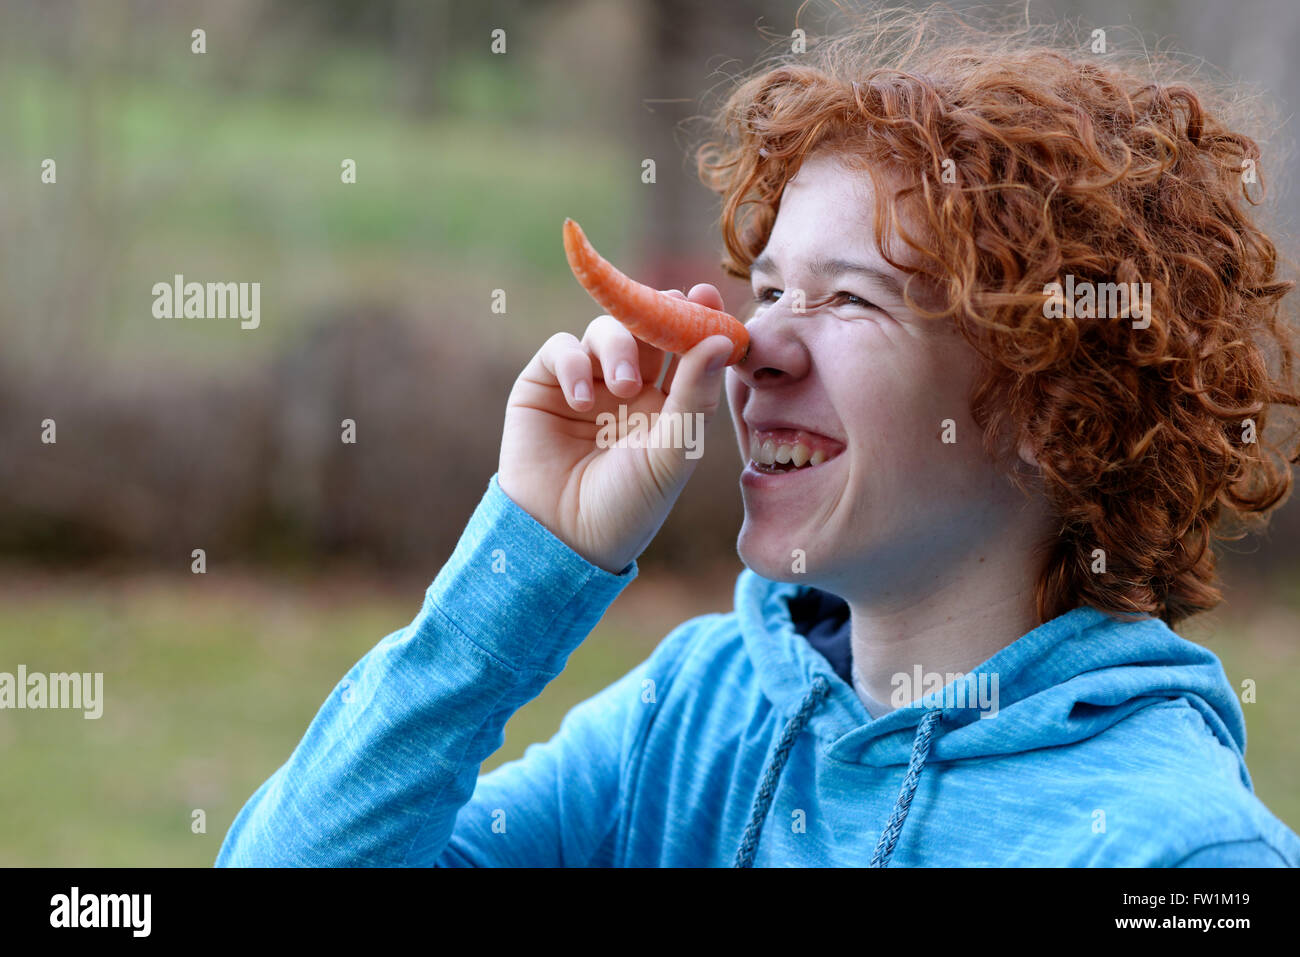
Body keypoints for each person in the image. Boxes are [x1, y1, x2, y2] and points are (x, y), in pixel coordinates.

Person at [216, 9, 1300, 867]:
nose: (746, 348)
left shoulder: (1178, 849)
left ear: (1052, 411)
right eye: (768, 286)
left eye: (851, 300)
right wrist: (530, 561)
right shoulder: (698, 713)